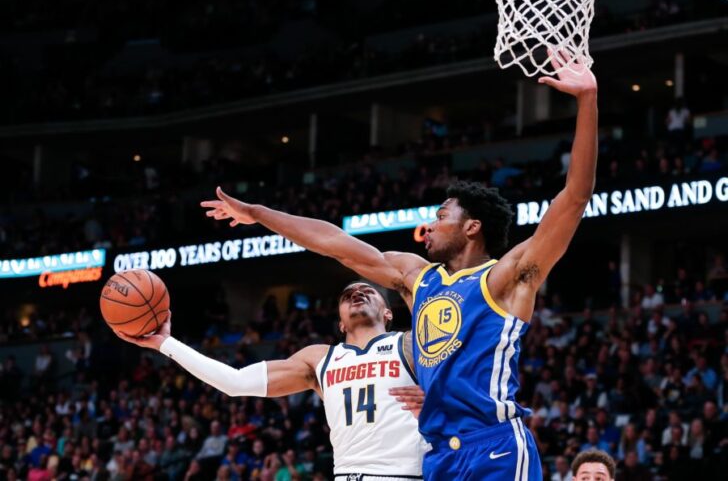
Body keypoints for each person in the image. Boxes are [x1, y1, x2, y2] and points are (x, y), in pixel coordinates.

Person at [202, 55, 598, 480]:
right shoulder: (417, 279)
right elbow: (336, 244)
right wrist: (259, 213)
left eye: (442, 216)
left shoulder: (505, 277)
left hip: (493, 445)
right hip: (438, 455)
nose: (428, 225)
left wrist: (588, 101)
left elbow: (574, 198)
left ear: (472, 227)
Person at [115, 282, 429, 480]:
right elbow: (235, 382)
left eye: (367, 292)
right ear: (340, 322)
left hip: (406, 474)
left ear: (388, 313)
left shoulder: (412, 344)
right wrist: (165, 344)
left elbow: (472, 388)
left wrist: (437, 402)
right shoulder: (320, 358)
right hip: (346, 474)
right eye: (348, 295)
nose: (356, 294)